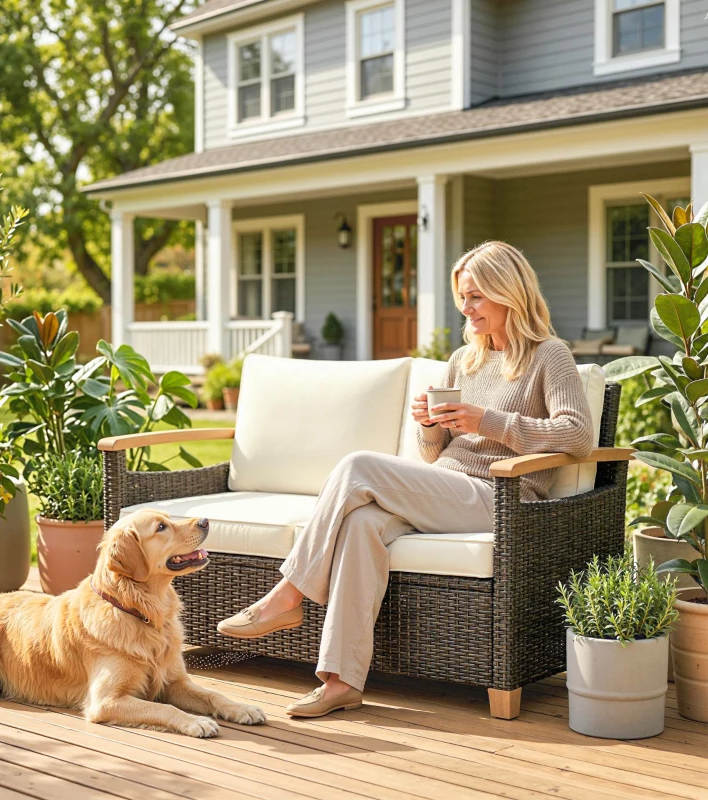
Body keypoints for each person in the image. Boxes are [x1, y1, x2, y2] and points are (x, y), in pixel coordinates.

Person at [216, 241, 593, 719]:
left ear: (508, 291)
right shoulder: (465, 360)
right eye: (462, 296)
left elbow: (577, 435)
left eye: (476, 295)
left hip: (500, 496)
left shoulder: (548, 356)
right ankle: (341, 681)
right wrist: (430, 424)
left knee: (357, 466)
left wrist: (487, 422)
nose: (466, 307)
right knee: (361, 526)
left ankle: (289, 593)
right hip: (448, 488)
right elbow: (431, 454)